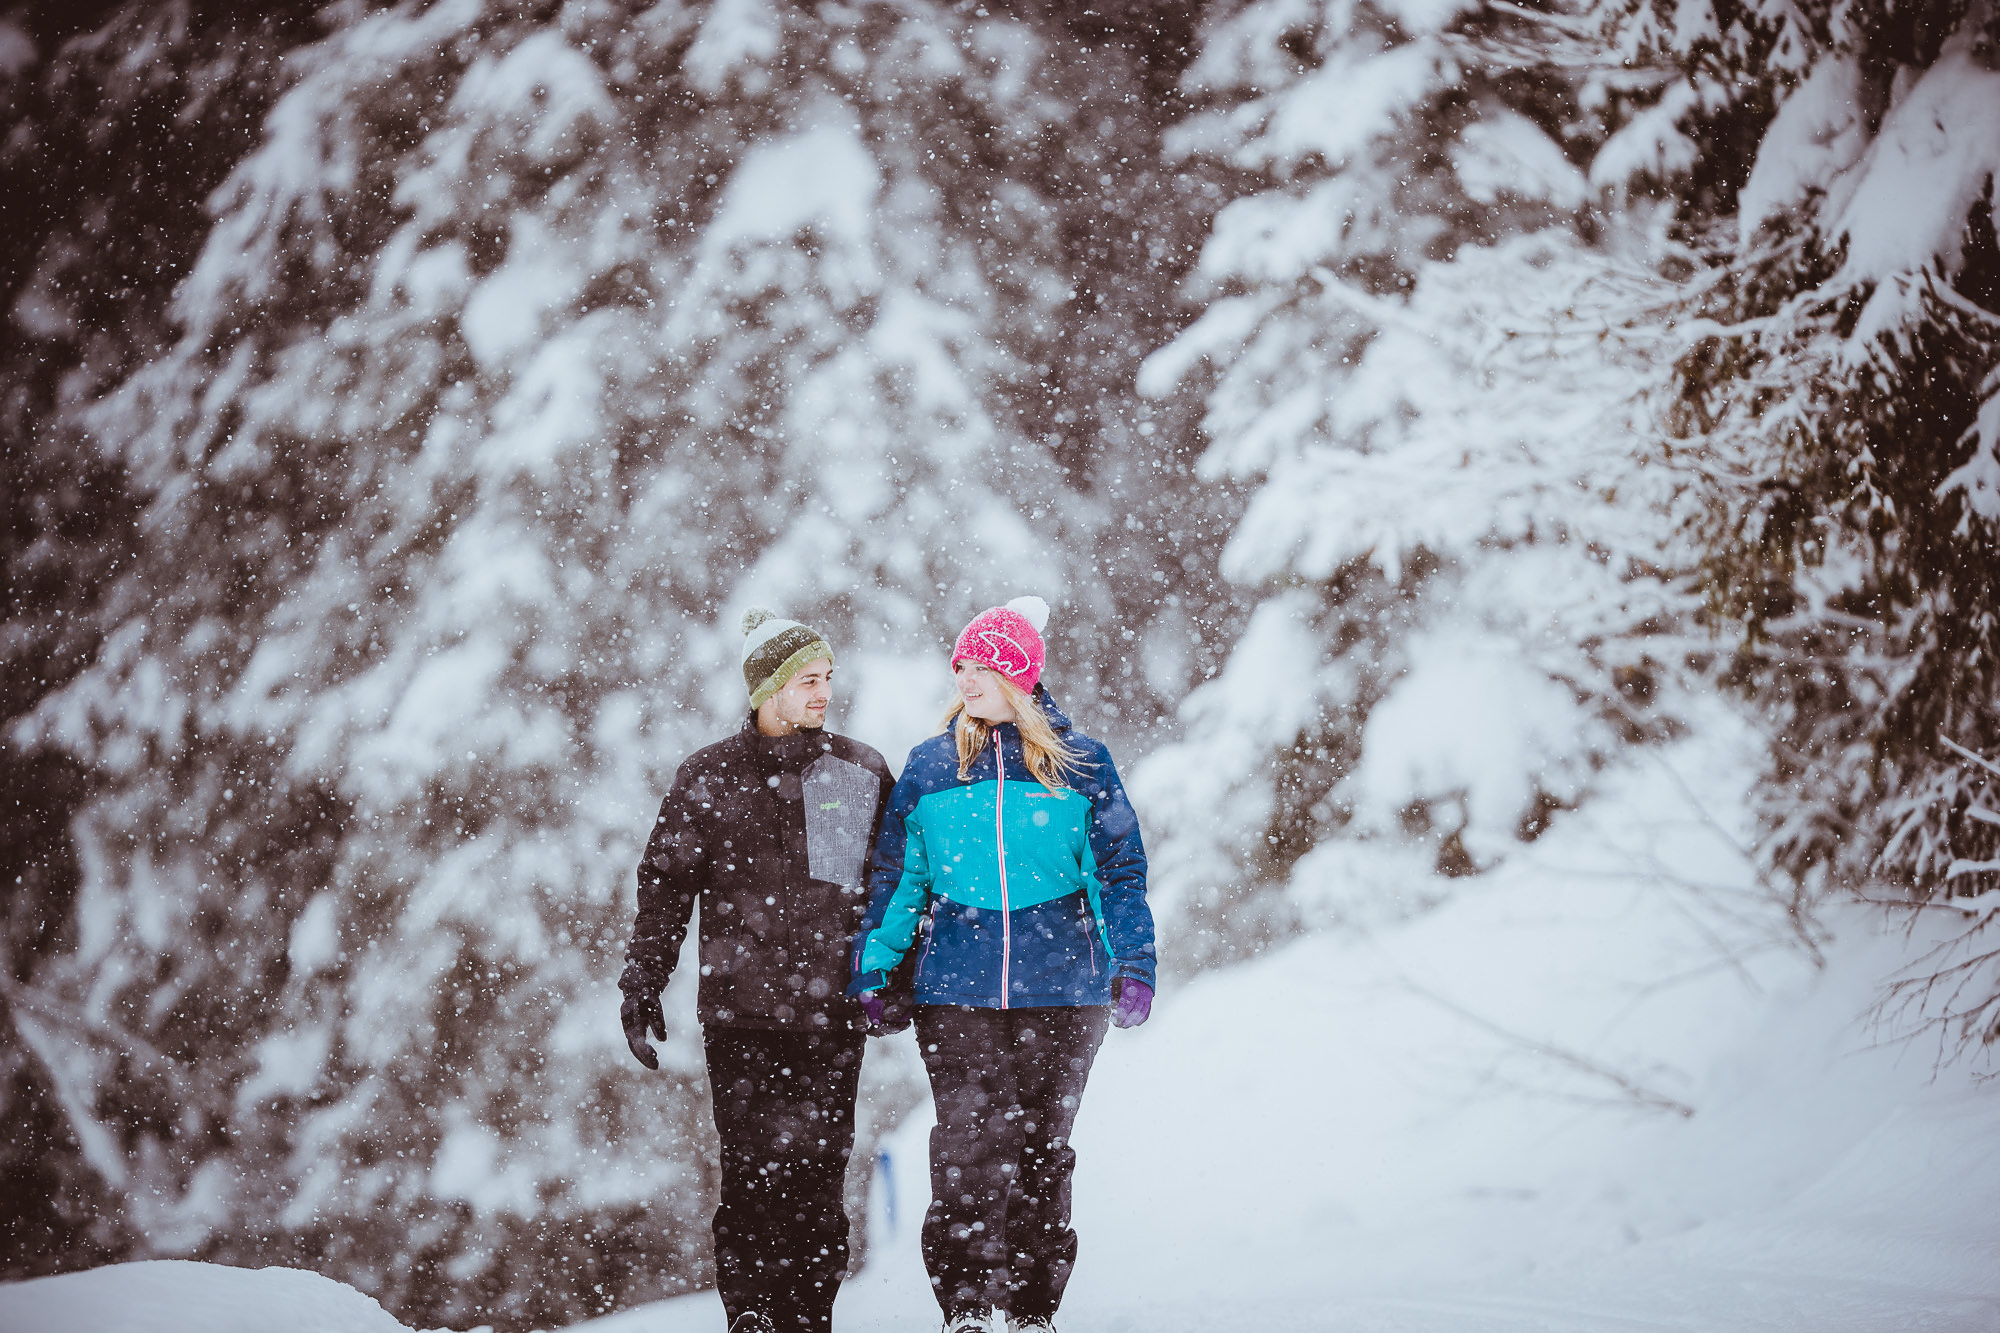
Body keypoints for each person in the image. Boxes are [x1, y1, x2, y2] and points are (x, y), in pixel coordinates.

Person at [848, 596, 1155, 1333]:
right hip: (958, 990)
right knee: (968, 1144)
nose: (967, 678)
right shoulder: (931, 767)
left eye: (982, 665)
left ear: (1019, 673)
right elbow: (899, 880)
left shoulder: (1081, 765)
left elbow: (1120, 872)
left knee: (1043, 1147)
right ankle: (964, 1307)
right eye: (961, 665)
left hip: (1064, 988)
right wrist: (876, 970)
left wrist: (1134, 962)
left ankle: (1030, 1307)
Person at [620, 609, 897, 1333]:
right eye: (808, 679)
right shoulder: (707, 777)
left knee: (816, 1182)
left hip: (831, 1020)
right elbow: (665, 884)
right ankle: (750, 1314)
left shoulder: (858, 772)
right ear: (767, 687)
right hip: (739, 1019)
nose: (823, 692)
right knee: (750, 1178)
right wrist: (643, 979)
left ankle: (808, 1318)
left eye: (828, 678)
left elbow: (894, 886)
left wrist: (893, 978)